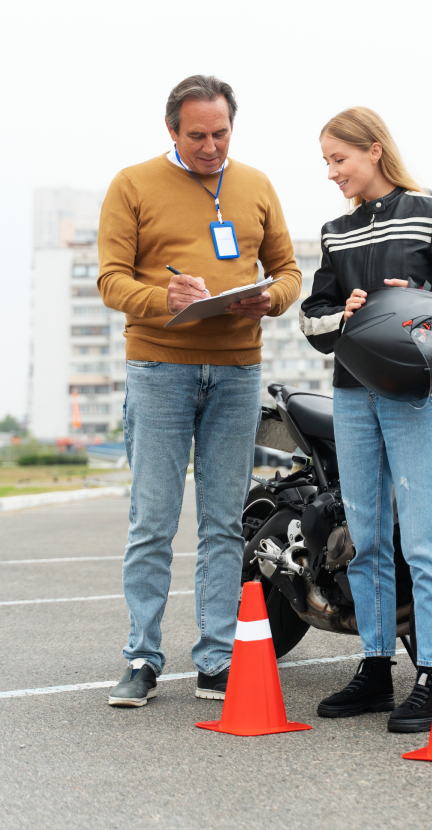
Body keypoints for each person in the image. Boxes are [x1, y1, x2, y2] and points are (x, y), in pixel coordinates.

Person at [98, 74, 301, 707]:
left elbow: (289, 270)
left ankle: (216, 659)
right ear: (171, 131)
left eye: (221, 133)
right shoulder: (132, 184)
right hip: (160, 369)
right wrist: (163, 299)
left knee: (222, 525)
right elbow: (109, 280)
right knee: (152, 522)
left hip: (237, 371)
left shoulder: (257, 185)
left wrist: (271, 298)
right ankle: (141, 657)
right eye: (197, 136)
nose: (211, 147)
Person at [300, 107, 432, 732]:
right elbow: (312, 319)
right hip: (353, 392)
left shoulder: (431, 212)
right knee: (370, 537)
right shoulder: (335, 231)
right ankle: (375, 670)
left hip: (416, 393)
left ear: (374, 151)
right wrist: (344, 310)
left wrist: (418, 300)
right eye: (327, 162)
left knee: (425, 540)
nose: (331, 173)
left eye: (339, 159)